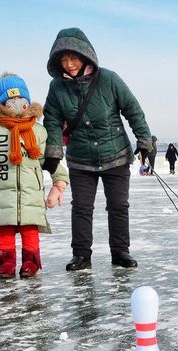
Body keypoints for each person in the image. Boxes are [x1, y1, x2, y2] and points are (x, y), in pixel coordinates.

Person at [43, 28, 152, 271]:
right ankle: (81, 255)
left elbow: (133, 109)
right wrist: (52, 152)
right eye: (64, 59)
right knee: (81, 208)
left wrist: (144, 141)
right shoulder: (57, 88)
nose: (70, 64)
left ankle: (120, 252)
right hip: (80, 158)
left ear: (85, 56)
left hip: (116, 155)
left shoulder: (109, 79)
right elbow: (51, 119)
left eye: (74, 58)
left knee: (118, 206)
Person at [0, 73, 69, 279]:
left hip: (30, 192)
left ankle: (31, 262)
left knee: (30, 228)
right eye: (11, 100)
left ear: (28, 101)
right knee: (4, 229)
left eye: (21, 100)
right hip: (1, 191)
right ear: (2, 104)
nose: (17, 104)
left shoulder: (38, 130)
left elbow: (49, 160)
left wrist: (59, 183)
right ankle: (6, 263)